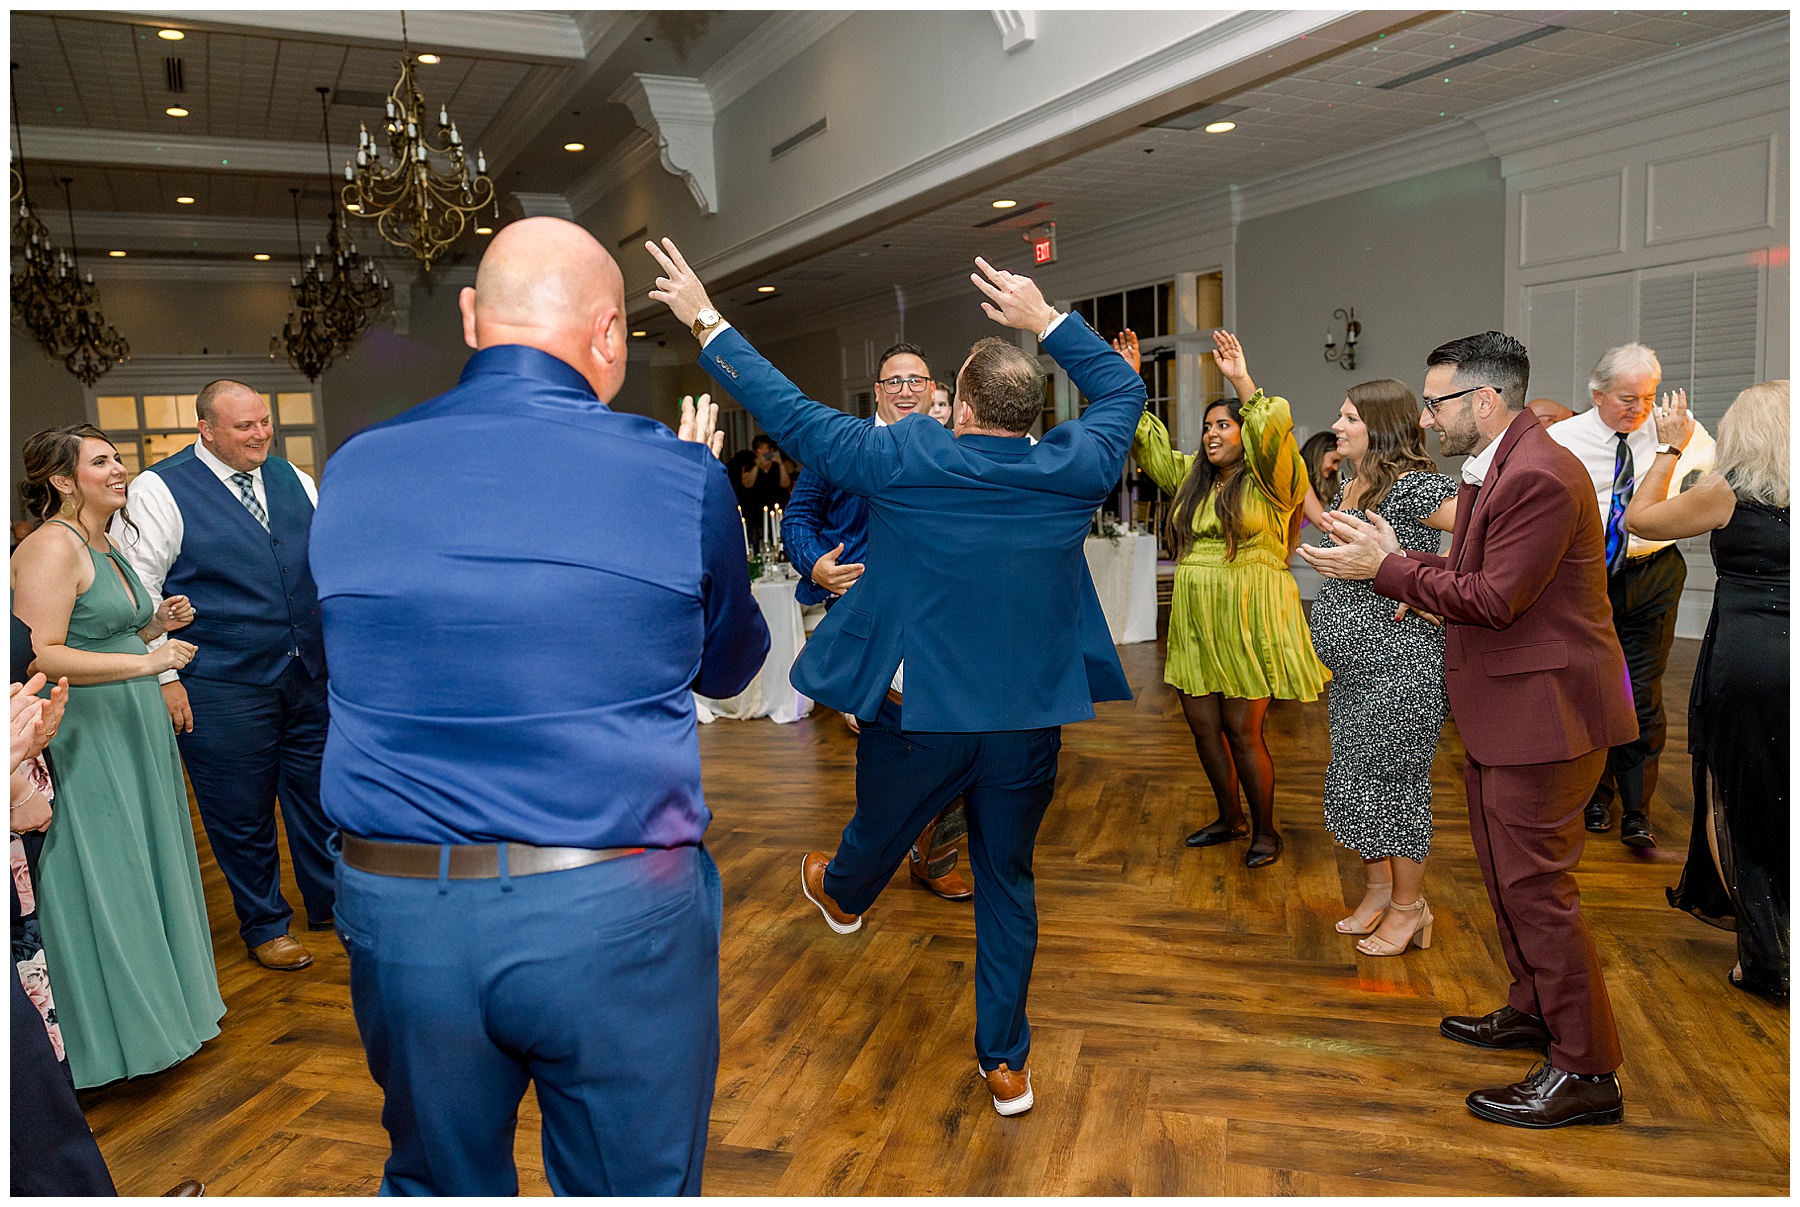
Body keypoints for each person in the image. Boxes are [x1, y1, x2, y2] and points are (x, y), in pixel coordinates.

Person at [309, 217, 768, 1196]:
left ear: (472, 317)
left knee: (438, 1182)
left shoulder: (350, 470)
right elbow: (731, 669)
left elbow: (344, 657)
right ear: (609, 334)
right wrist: (694, 512)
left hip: (401, 914)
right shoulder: (675, 474)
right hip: (609, 910)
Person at [647, 237, 1143, 1118]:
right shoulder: (1077, 465)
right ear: (1030, 411)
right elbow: (1124, 392)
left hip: (922, 718)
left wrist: (706, 319)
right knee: (1007, 882)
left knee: (875, 831)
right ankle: (1007, 1063)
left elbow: (791, 412)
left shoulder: (911, 458)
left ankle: (841, 892)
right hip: (1027, 725)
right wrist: (1047, 318)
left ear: (961, 409)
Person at [1303, 331, 1635, 1129]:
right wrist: (1401, 562)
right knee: (1504, 877)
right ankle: (1534, 1006)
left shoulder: (1540, 475)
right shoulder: (1500, 467)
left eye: (1436, 402)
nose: (1425, 418)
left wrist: (1385, 569)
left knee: (1538, 892)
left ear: (1484, 400)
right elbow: (1472, 577)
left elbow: (1493, 598)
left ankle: (1587, 1068)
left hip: (1549, 717)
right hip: (1508, 712)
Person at [10, 425, 225, 1090]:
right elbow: (39, 653)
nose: (119, 469)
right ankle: (108, 1040)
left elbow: (105, 630)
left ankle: (164, 1017)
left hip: (131, 727)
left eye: (117, 458)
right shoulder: (50, 545)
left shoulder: (103, 540)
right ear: (62, 480)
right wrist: (149, 662)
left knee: (145, 862)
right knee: (104, 871)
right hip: (86, 730)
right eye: (100, 461)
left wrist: (156, 625)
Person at [114, 380, 336, 972]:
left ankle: (331, 905)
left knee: (319, 798)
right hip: (221, 680)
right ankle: (266, 925)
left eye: (264, 422)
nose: (261, 434)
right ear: (206, 429)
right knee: (241, 812)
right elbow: (139, 590)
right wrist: (164, 678)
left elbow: (316, 563)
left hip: (307, 673)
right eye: (245, 427)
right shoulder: (160, 488)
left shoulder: (294, 479)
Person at [781, 342, 972, 901]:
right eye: (895, 381)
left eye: (917, 380)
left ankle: (930, 857)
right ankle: (863, 867)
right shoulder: (843, 447)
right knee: (888, 751)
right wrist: (815, 563)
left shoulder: (955, 450)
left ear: (934, 390)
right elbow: (798, 519)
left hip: (940, 622)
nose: (906, 390)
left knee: (953, 737)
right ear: (878, 391)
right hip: (863, 622)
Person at [1132, 330, 1328, 867]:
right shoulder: (1192, 478)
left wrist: (1241, 379)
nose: (1212, 433)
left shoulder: (1274, 479)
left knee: (1243, 730)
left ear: (1246, 431)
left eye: (1224, 424)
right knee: (1203, 727)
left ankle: (1265, 829)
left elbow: (1273, 431)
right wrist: (1132, 382)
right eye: (1207, 426)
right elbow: (1149, 447)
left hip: (1249, 614)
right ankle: (1229, 816)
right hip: (1196, 617)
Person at [1626, 382, 1788, 1001]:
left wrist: (1670, 450)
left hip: (1748, 662)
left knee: (1739, 797)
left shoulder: (1727, 493)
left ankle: (1768, 958)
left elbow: (1641, 520)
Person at [1306, 381, 1458, 956]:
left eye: (1350, 417)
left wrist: (1427, 582)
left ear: (1381, 424)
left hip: (1402, 665)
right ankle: (1377, 892)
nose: (1338, 426)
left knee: (1395, 785)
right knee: (1358, 783)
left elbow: (1493, 540)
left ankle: (1410, 908)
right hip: (1355, 671)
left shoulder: (1417, 486)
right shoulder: (1352, 483)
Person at [1547, 344, 1714, 847]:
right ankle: (1594, 798)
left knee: (1641, 691)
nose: (1640, 409)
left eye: (1648, 397)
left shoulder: (1680, 432)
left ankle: (1637, 809)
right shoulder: (1562, 440)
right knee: (1590, 686)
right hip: (1585, 577)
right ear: (1597, 395)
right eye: (1627, 398)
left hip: (1653, 573)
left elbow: (1723, 478)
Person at [727, 434, 792, 547]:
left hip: (775, 508)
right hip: (755, 510)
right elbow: (748, 484)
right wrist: (757, 465)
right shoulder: (749, 464)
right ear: (756, 451)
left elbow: (785, 483)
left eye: (767, 449)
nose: (764, 451)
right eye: (761, 449)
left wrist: (780, 463)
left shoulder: (777, 465)